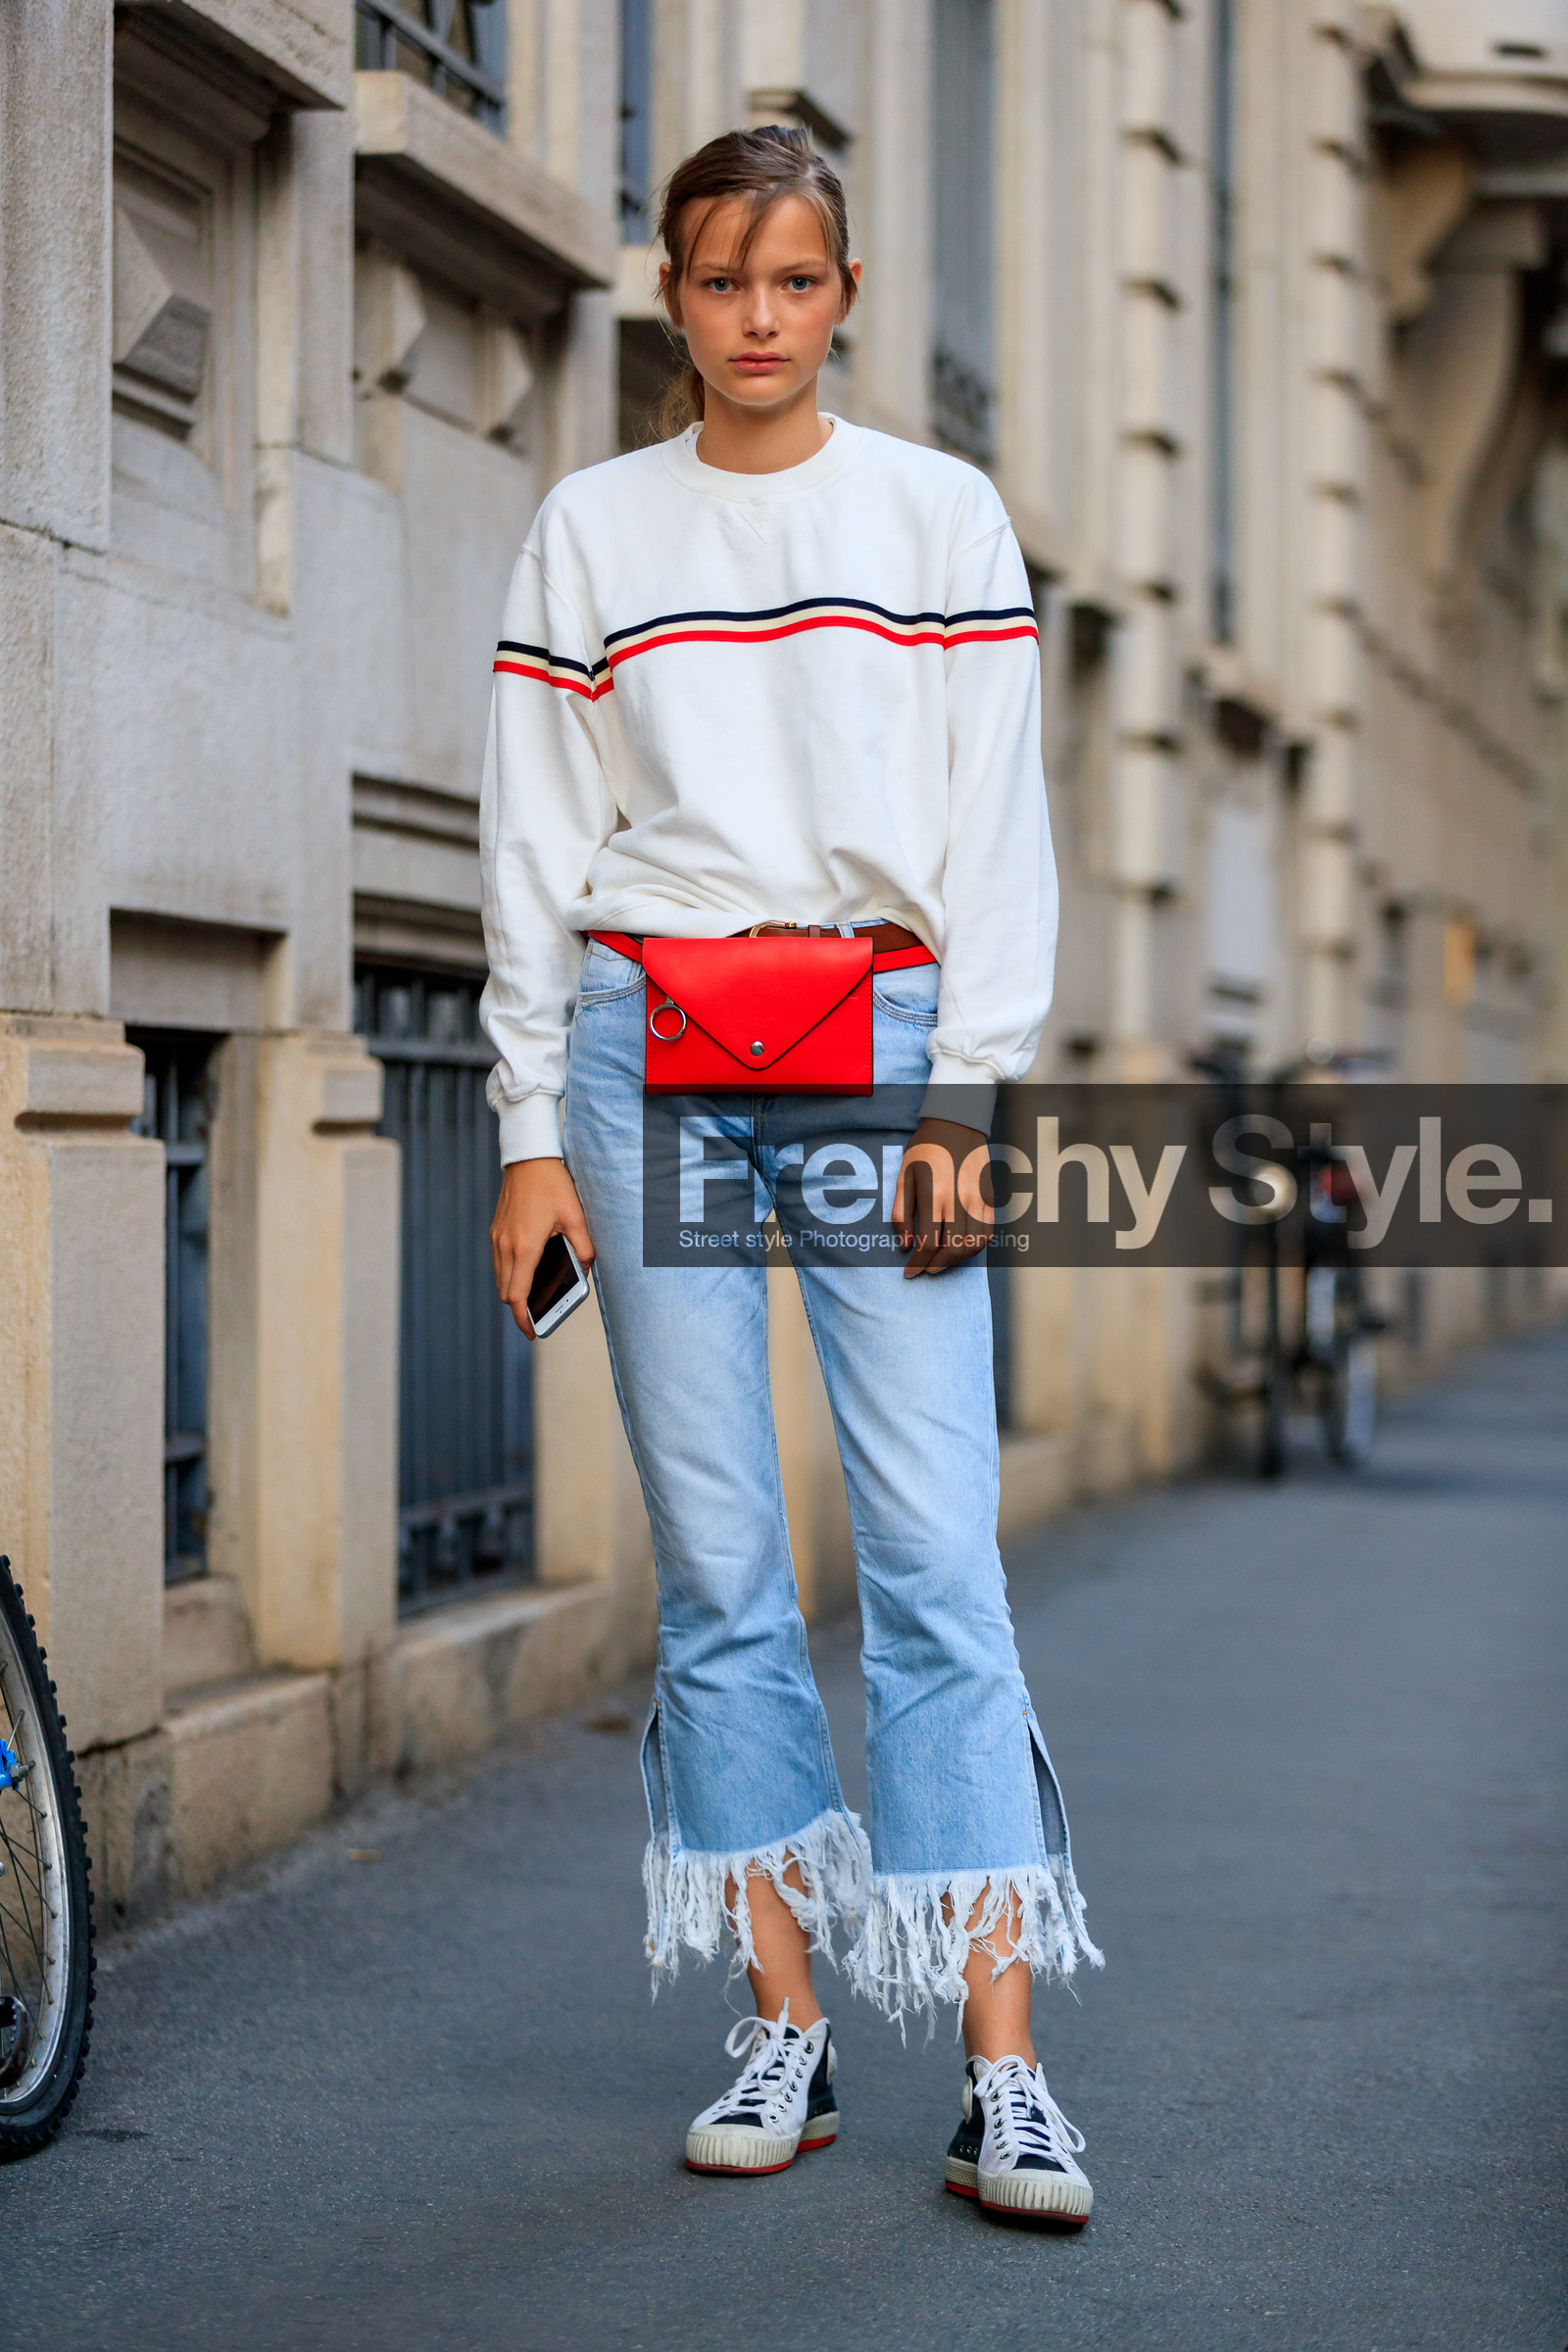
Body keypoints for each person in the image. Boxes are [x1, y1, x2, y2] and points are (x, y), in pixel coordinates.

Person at [480, 124, 1101, 2224]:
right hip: (640, 1053)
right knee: (722, 1567)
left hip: (881, 1061)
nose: (760, 322)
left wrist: (967, 1100)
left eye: (799, 283)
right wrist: (524, 1139)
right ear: (669, 292)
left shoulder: (933, 515)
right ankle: (782, 2020)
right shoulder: (587, 530)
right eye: (723, 284)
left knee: (934, 1552)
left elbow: (996, 827)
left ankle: (1000, 2072)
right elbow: (529, 853)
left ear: (843, 292)